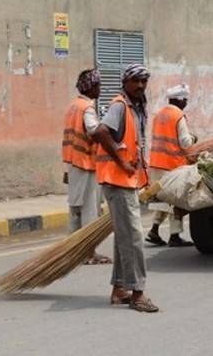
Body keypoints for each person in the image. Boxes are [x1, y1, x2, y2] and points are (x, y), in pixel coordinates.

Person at [94, 63, 159, 313]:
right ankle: (138, 293)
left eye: (144, 81)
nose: (141, 86)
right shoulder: (120, 105)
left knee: (125, 236)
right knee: (134, 237)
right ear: (126, 83)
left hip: (126, 180)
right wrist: (121, 161)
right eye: (136, 81)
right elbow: (101, 132)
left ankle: (120, 289)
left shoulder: (136, 107)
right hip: (116, 179)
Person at [62, 69, 112, 265]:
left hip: (73, 163)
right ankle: (88, 253)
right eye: (98, 85)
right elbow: (94, 129)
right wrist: (112, 141)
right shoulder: (87, 108)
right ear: (91, 87)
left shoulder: (73, 106)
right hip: (87, 164)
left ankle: (71, 249)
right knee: (90, 211)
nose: (100, 89)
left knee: (75, 208)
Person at [146, 83, 196, 247]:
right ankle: (174, 236)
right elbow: (185, 143)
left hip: (156, 163)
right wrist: (193, 138)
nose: (186, 103)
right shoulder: (178, 116)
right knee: (175, 200)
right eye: (185, 100)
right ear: (180, 100)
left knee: (163, 198)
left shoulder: (159, 114)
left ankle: (154, 230)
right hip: (171, 165)